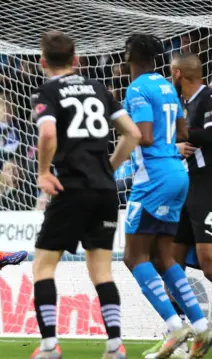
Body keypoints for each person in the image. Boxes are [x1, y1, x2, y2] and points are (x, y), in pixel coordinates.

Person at [29, 31, 140, 359]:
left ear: (42, 62)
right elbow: (132, 133)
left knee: (43, 267)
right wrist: (109, 166)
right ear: (76, 60)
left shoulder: (48, 91)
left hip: (71, 189)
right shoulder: (99, 88)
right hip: (105, 191)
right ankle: (115, 345)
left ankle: (49, 345)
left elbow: (48, 131)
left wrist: (43, 171)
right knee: (102, 272)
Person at [121, 33, 212, 359]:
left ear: (131, 55)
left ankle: (175, 326)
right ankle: (200, 328)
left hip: (154, 177)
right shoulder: (168, 89)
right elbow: (184, 133)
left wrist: (118, 127)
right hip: (178, 175)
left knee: (133, 257)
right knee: (163, 257)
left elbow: (142, 136)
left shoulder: (138, 89)